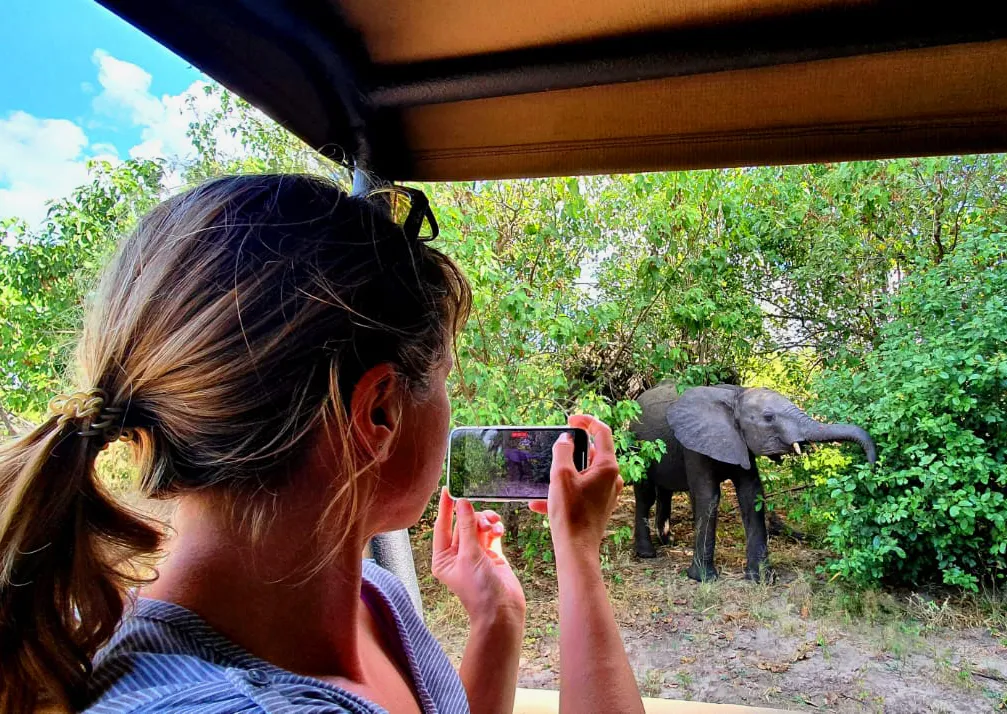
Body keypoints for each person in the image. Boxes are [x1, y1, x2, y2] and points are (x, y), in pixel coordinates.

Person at [0, 174, 644, 714]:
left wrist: (496, 620)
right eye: (446, 378)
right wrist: (579, 556)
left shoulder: (373, 595)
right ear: (381, 411)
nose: (451, 410)